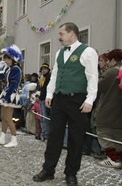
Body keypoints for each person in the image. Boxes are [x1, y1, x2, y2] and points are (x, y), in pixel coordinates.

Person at [32, 22, 98, 186]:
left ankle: (71, 173)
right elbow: (54, 75)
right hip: (59, 100)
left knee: (76, 138)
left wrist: (90, 100)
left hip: (78, 100)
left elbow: (92, 77)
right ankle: (48, 170)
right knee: (54, 136)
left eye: (61, 33)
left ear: (72, 33)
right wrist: (49, 94)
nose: (59, 37)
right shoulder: (59, 53)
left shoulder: (88, 52)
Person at [95, 49, 122, 169]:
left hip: (108, 108)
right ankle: (119, 158)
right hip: (119, 109)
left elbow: (99, 86)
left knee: (103, 133)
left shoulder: (112, 72)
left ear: (112, 59)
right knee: (117, 134)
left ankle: (112, 159)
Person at [0, 44, 23, 148]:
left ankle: (14, 139)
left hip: (11, 94)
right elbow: (2, 78)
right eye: (5, 58)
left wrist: (6, 98)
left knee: (8, 118)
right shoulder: (9, 68)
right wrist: (1, 69)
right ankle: (2, 137)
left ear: (13, 59)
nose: (5, 60)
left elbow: (14, 84)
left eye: (7, 58)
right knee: (3, 117)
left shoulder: (16, 69)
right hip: (7, 92)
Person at [38, 63, 51, 141]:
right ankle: (43, 133)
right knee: (42, 117)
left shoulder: (49, 77)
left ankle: (46, 134)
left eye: (45, 69)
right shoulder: (42, 78)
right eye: (42, 69)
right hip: (41, 98)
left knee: (45, 117)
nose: (43, 70)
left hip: (45, 99)